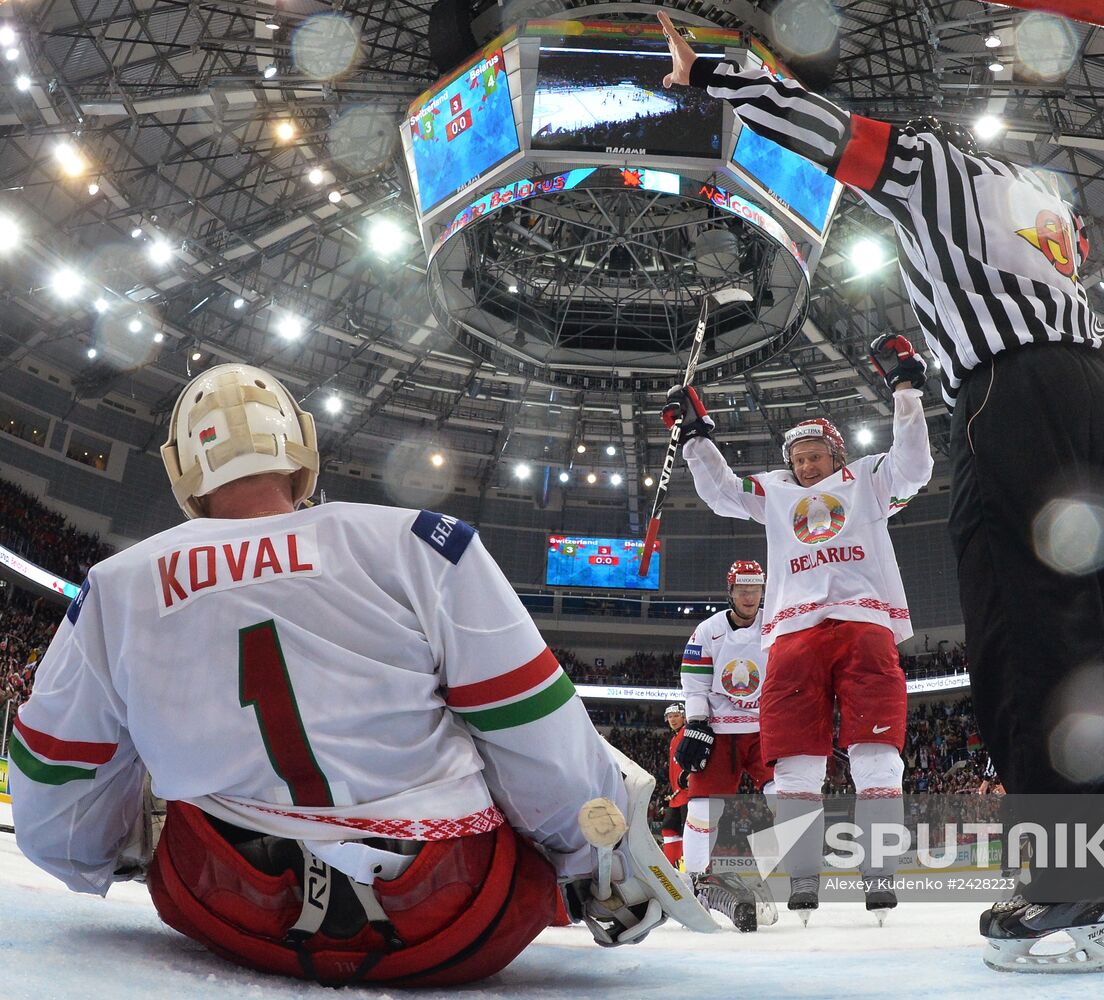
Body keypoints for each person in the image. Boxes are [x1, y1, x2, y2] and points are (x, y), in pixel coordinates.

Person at [659, 10, 1104, 973]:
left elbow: (828, 135)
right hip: (1100, 393)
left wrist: (717, 80)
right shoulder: (1042, 201)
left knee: (1030, 627)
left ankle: (1068, 882)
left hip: (1013, 393)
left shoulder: (937, 166)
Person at [8, 363, 713, 988]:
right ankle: (614, 888)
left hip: (222, 904)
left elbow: (54, 786)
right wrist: (581, 858)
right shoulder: (417, 540)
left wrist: (98, 860)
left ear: (182, 469)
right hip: (451, 915)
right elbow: (531, 730)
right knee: (585, 754)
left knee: (142, 764)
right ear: (302, 449)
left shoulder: (116, 584)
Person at [662, 326, 931, 923]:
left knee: (877, 749)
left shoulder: (867, 478)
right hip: (791, 636)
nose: (807, 465)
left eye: (817, 456)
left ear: (837, 455)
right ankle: (803, 877)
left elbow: (915, 465)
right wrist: (695, 440)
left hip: (863, 625)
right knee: (795, 762)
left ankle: (880, 873)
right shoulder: (777, 491)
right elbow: (723, 494)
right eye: (799, 458)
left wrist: (906, 390)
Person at [673, 560, 776, 931]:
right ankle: (698, 880)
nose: (749, 595)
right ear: (730, 591)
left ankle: (799, 873)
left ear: (763, 590)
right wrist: (697, 723)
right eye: (742, 589)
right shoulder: (708, 631)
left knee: (789, 795)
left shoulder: (775, 623)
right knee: (702, 808)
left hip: (763, 726)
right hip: (719, 730)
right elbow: (695, 681)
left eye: (755, 588)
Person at [661, 703, 689, 867]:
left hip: (690, 794)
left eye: (676, 716)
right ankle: (672, 868)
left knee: (690, 833)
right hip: (677, 796)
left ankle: (691, 870)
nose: (672, 719)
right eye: (670, 717)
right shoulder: (674, 738)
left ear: (684, 716)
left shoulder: (687, 732)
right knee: (668, 829)